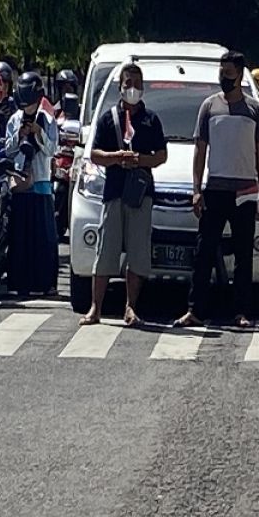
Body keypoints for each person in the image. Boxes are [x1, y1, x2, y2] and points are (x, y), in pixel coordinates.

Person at [175, 51, 259, 329]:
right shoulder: (208, 107)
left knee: (243, 254)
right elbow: (199, 151)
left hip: (246, 191)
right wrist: (196, 189)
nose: (223, 78)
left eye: (228, 73)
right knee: (204, 252)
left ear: (239, 75)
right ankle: (195, 309)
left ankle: (241, 310)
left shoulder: (254, 110)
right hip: (215, 189)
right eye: (221, 73)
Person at [82, 63, 168, 326]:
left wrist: (140, 160)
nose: (132, 88)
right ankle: (95, 308)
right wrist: (116, 158)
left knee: (138, 252)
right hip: (114, 192)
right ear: (120, 86)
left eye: (137, 83)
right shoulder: (109, 118)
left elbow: (161, 155)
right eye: (128, 83)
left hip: (140, 194)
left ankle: (131, 308)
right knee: (106, 250)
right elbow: (95, 153)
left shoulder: (151, 119)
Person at [3, 72, 60, 296]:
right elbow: (9, 150)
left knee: (43, 238)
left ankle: (46, 283)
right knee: (20, 237)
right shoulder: (14, 119)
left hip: (42, 183)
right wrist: (19, 135)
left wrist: (38, 133)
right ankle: (19, 282)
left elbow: (52, 150)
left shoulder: (47, 119)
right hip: (21, 183)